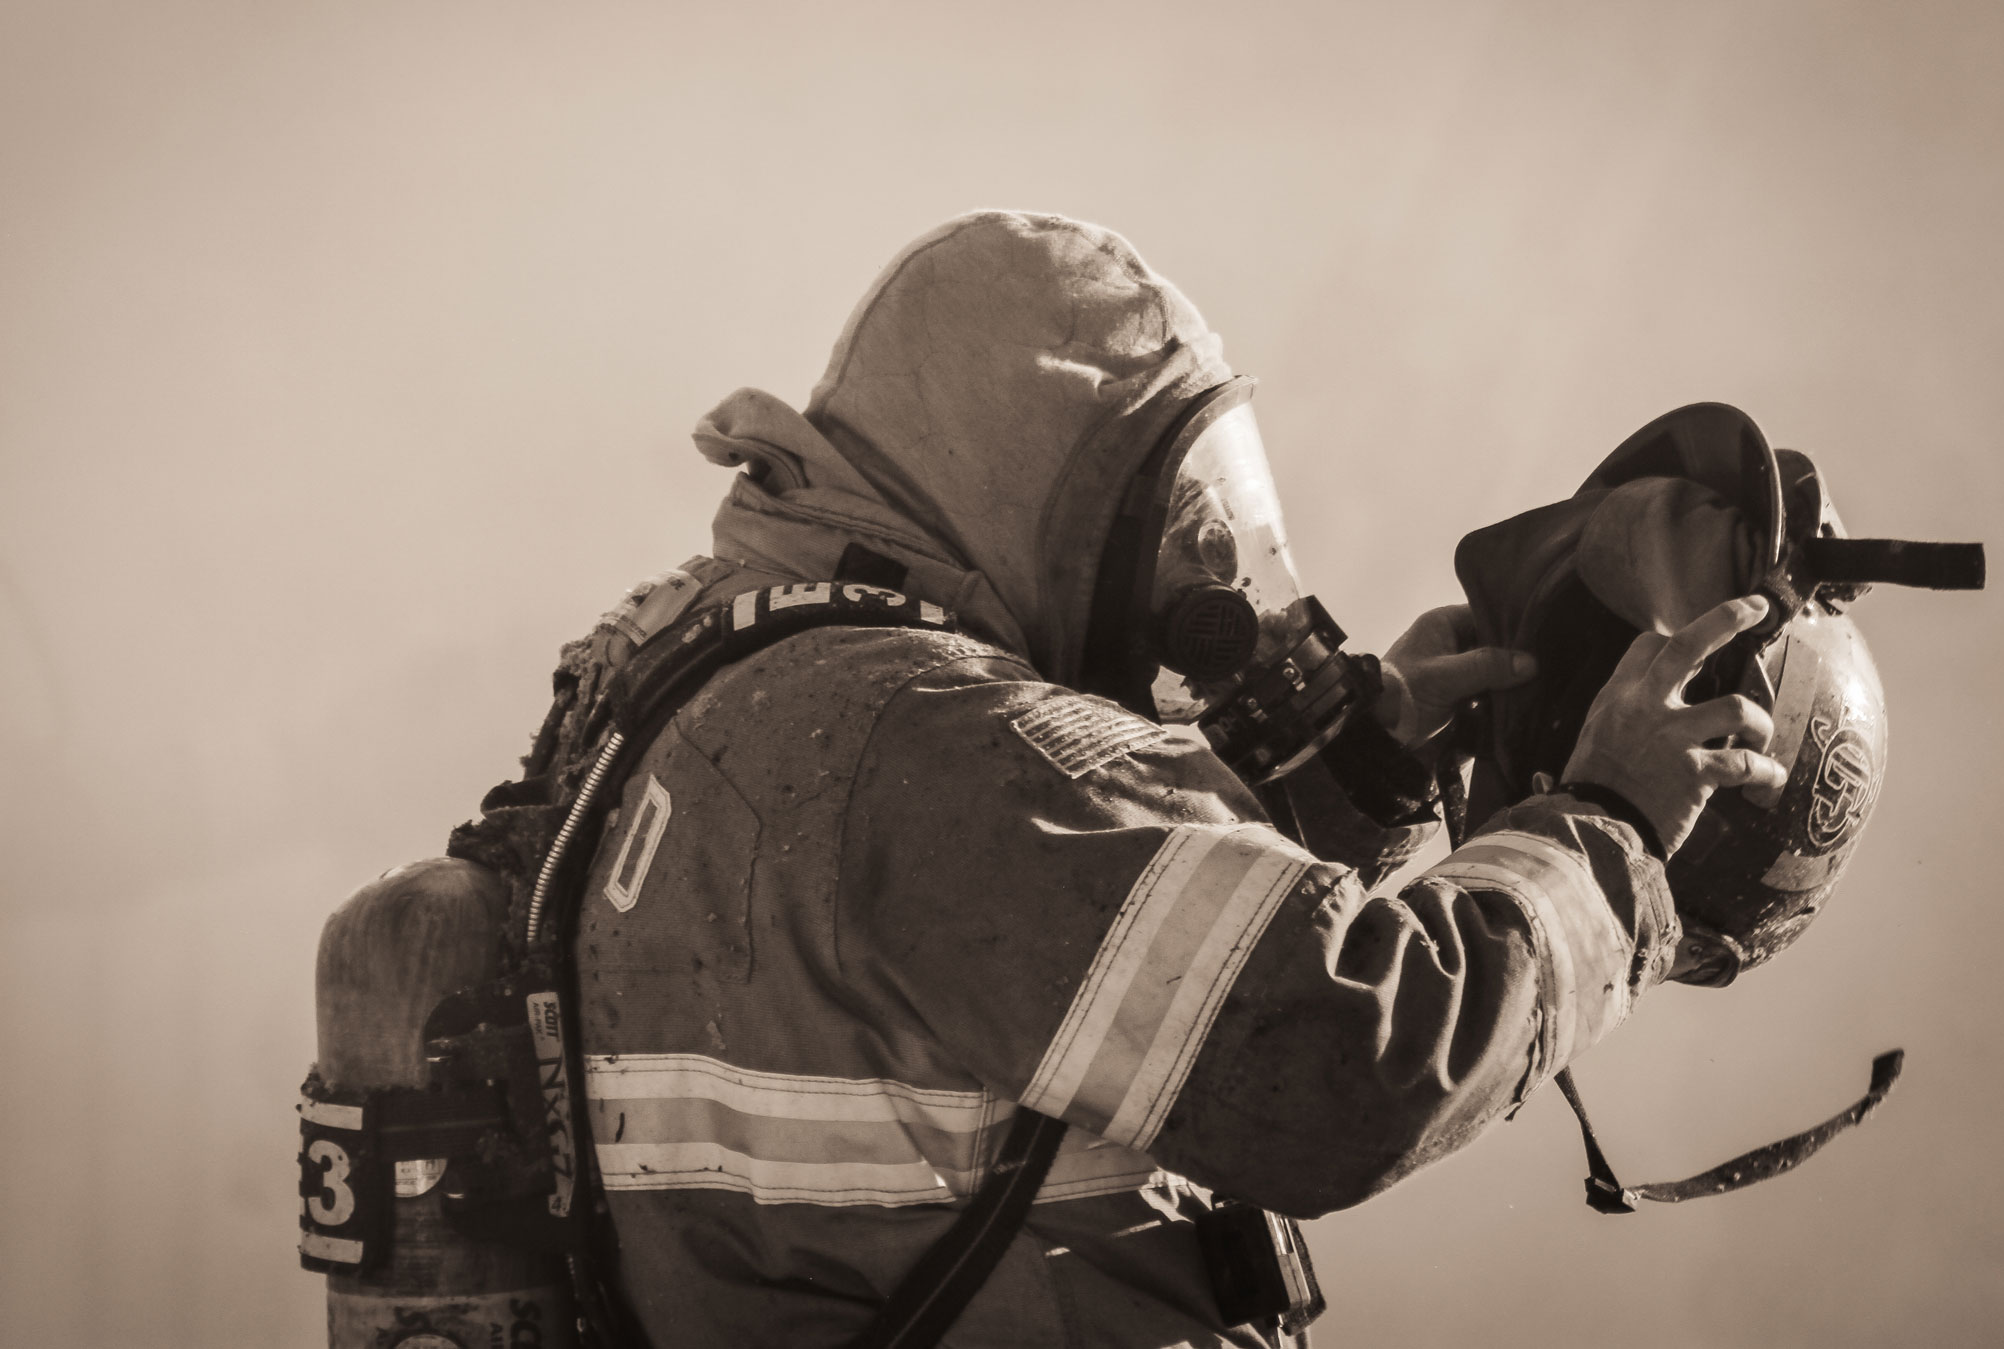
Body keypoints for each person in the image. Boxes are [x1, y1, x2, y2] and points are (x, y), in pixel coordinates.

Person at [566, 211, 1784, 1347]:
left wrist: (1350, 771)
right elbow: (1338, 1059)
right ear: (1039, 485)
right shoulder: (930, 727)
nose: (1197, 580)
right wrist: (1610, 822)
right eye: (1176, 519)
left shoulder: (746, 697)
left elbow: (1021, 952)